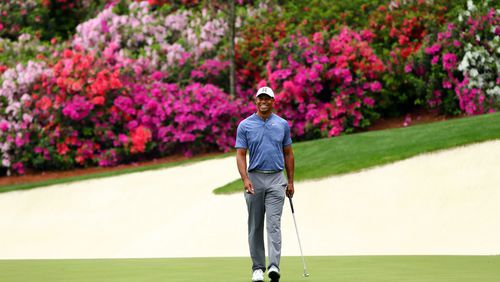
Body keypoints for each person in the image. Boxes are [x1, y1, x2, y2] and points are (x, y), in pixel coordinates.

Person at [235, 86, 295, 282]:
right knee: (255, 225)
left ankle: (274, 266)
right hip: (255, 179)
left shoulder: (282, 124)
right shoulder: (245, 125)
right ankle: (258, 268)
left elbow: (288, 153)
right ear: (256, 100)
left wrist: (291, 181)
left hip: (277, 179)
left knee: (274, 224)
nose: (264, 101)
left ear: (273, 101)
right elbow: (241, 154)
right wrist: (245, 179)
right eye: (260, 98)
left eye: (267, 98)